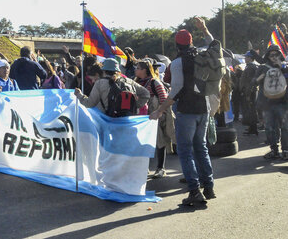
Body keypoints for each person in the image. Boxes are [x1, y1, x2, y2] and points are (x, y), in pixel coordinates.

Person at [150, 17, 216, 205]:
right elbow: (213, 45)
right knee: (201, 147)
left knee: (186, 151)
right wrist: (203, 28)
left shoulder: (177, 63)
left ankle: (194, 191)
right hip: (204, 108)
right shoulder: (203, 54)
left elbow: (176, 91)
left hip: (187, 111)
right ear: (191, 41)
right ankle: (209, 186)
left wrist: (160, 110)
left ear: (177, 44)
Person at [135, 60, 173, 178]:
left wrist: (160, 113)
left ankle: (160, 168)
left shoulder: (154, 82)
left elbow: (164, 98)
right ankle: (143, 168)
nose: (135, 69)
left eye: (138, 68)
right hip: (141, 118)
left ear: (145, 70)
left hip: (154, 115)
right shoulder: (135, 82)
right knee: (142, 142)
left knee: (159, 142)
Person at [74, 58, 149, 114]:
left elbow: (89, 104)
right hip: (127, 121)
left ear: (103, 70)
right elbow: (146, 94)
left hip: (108, 121)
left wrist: (79, 95)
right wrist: (135, 105)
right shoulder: (128, 81)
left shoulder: (100, 83)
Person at [255, 45, 288, 160]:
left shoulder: (285, 66)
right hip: (267, 103)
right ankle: (274, 149)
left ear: (280, 55)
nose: (274, 57)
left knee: (285, 127)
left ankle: (285, 150)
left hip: (283, 103)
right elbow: (253, 82)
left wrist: (282, 69)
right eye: (271, 55)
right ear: (268, 56)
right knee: (269, 128)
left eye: (276, 54)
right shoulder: (262, 68)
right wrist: (260, 78)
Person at [240, 50, 259, 135]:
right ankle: (251, 128)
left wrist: (248, 94)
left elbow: (250, 82)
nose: (245, 58)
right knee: (250, 111)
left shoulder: (251, 67)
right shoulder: (249, 66)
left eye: (246, 57)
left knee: (251, 111)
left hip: (250, 93)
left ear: (250, 58)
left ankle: (253, 129)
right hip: (249, 92)